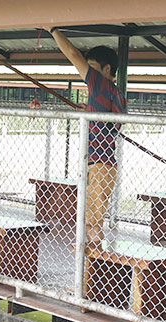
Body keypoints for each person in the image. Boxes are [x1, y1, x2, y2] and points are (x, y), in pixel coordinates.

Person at [48, 27, 127, 248]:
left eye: (92, 68)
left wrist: (52, 29)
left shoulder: (99, 83)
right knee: (91, 218)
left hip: (99, 164)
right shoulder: (116, 93)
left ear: (106, 68)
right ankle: (88, 270)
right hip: (105, 165)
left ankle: (90, 271)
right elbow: (110, 120)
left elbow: (73, 55)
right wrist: (90, 110)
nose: (87, 75)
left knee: (92, 224)